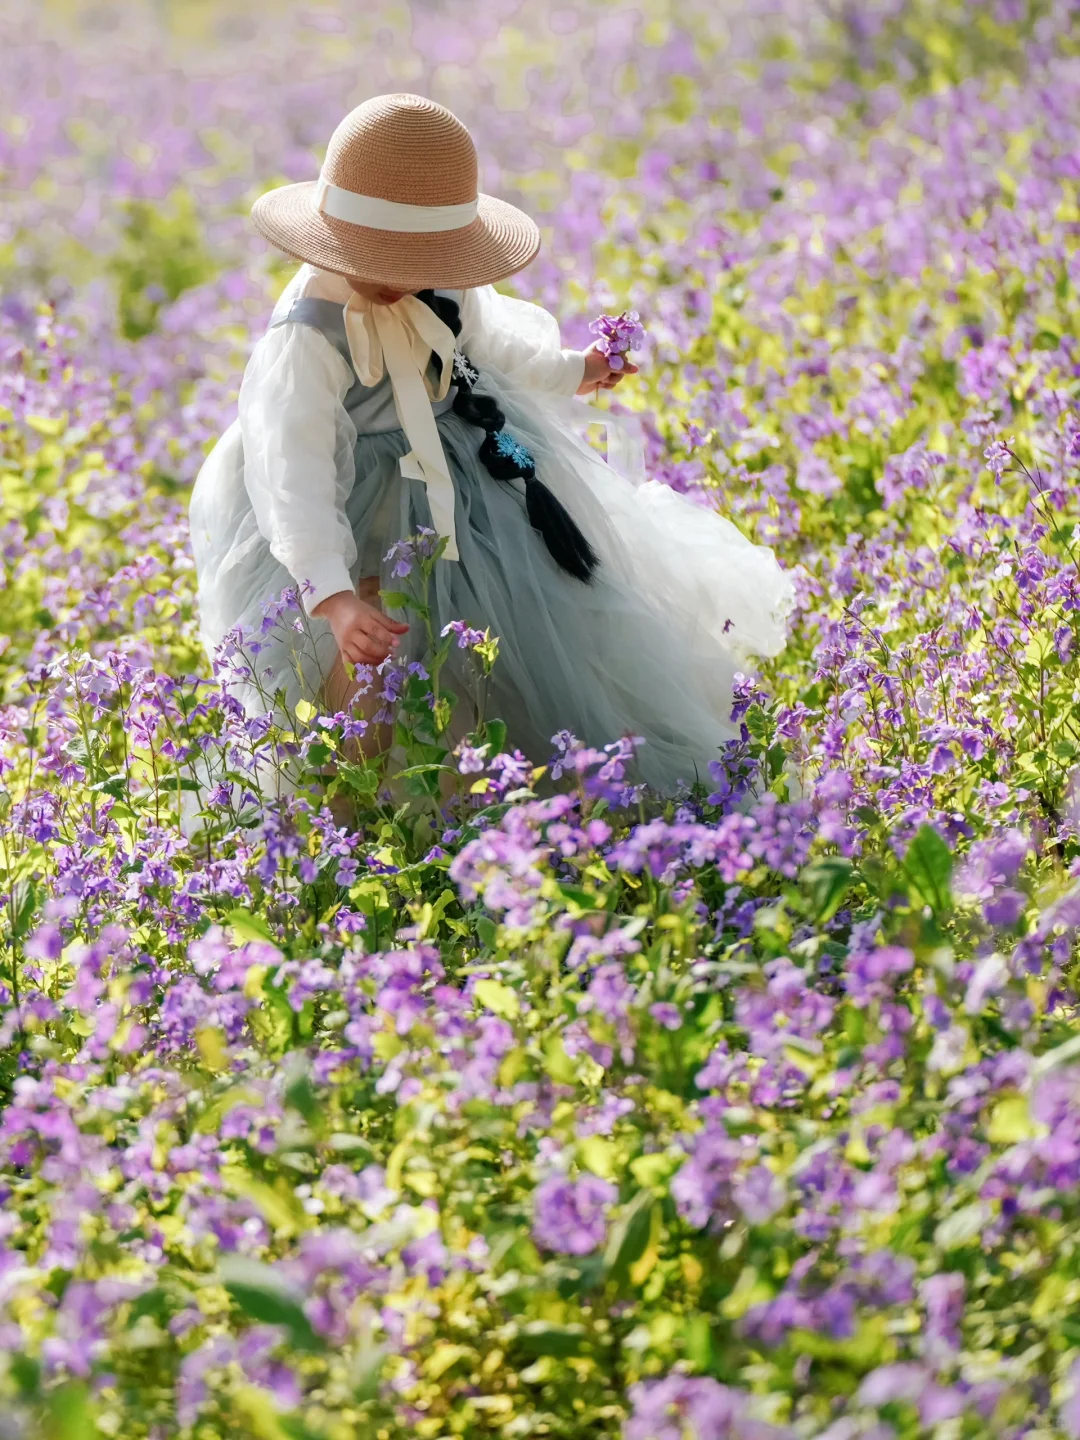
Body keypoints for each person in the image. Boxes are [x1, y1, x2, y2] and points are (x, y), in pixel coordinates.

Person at [189, 93, 795, 792]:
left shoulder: (442, 280)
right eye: (382, 261)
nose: (404, 279)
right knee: (364, 651)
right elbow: (291, 474)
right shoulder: (308, 334)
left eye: (418, 262)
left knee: (500, 625)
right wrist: (329, 592)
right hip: (345, 496)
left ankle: (481, 781)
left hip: (457, 468)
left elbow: (494, 350)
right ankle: (347, 808)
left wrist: (578, 370)